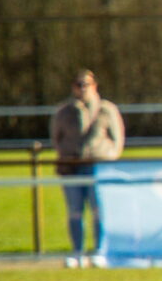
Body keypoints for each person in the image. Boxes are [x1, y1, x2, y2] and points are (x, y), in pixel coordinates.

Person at [52, 70, 124, 267]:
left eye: (87, 84)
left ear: (94, 86)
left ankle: (99, 251)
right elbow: (56, 138)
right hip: (72, 167)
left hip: (98, 167)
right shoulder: (64, 111)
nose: (83, 88)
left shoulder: (106, 109)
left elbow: (117, 140)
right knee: (75, 210)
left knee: (99, 209)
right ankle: (78, 252)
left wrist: (107, 157)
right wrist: (68, 155)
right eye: (79, 84)